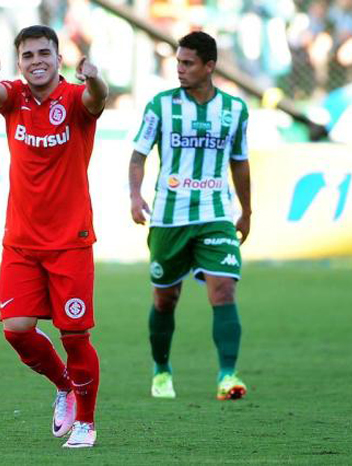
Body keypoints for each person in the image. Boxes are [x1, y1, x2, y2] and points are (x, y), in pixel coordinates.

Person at [0, 25, 108, 448]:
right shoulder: (13, 96)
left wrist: (95, 77)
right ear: (20, 62)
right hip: (20, 241)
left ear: (58, 58)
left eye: (44, 53)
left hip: (70, 240)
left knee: (74, 335)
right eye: (29, 55)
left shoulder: (73, 99)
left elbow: (98, 98)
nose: (37, 61)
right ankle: (65, 385)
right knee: (16, 329)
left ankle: (86, 422)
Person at [128, 31, 251, 401]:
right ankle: (162, 370)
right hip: (168, 215)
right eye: (177, 62)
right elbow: (139, 155)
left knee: (224, 289)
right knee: (166, 299)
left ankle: (228, 375)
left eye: (187, 63)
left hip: (216, 213)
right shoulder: (160, 106)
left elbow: (240, 162)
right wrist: (135, 195)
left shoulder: (235, 110)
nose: (179, 69)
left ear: (209, 66)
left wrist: (248, 211)